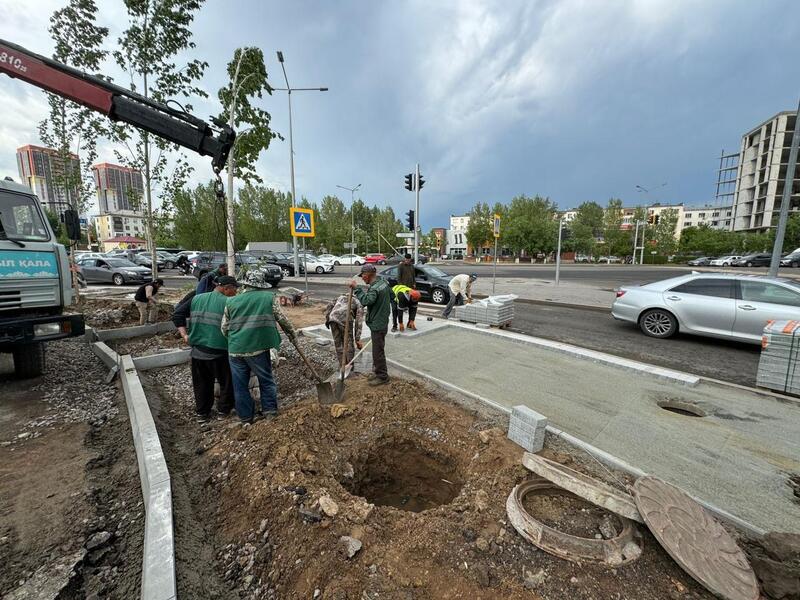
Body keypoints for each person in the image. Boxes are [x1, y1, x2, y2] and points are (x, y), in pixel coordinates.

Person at [221, 270, 297, 424]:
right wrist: (292, 335)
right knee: (266, 380)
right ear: (261, 284)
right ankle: (269, 412)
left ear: (245, 283)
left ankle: (246, 418)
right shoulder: (267, 297)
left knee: (240, 386)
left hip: (235, 351)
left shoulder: (231, 301)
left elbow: (224, 328)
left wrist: (236, 340)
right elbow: (282, 319)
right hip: (257, 349)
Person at [173, 276, 239, 422]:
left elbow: (177, 314)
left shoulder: (197, 298)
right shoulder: (229, 302)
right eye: (234, 290)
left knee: (202, 383)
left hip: (198, 351)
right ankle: (223, 411)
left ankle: (202, 413)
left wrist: (184, 335)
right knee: (227, 382)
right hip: (220, 350)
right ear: (226, 288)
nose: (235, 293)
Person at [349, 264, 391, 385]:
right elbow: (391, 296)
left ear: (367, 275)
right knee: (378, 350)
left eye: (362, 276)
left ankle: (383, 377)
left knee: (378, 352)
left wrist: (357, 289)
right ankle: (378, 371)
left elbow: (366, 301)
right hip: (382, 320)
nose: (362, 278)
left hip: (378, 323)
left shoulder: (374, 289)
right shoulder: (383, 282)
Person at [324, 293, 364, 368]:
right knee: (349, 343)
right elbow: (359, 321)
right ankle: (349, 366)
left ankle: (342, 365)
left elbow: (329, 306)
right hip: (346, 319)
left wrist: (327, 320)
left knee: (338, 343)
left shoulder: (340, 297)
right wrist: (357, 339)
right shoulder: (357, 301)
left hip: (333, 319)